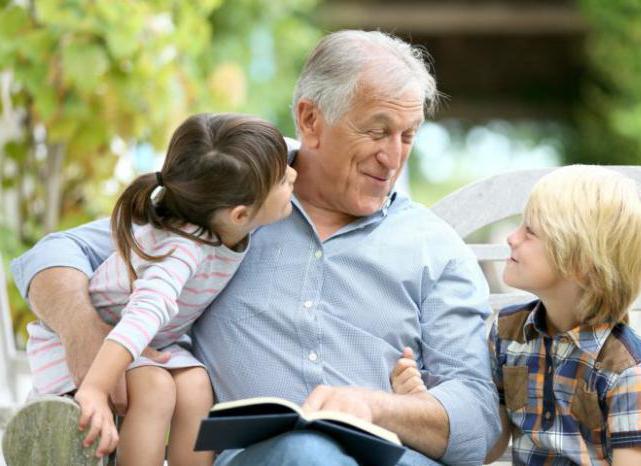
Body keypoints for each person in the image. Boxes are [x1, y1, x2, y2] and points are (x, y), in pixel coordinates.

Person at [11, 30, 500, 466]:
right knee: (307, 453)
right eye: (376, 131)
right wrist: (86, 335)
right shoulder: (229, 203)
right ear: (311, 119)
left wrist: (375, 407)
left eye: (407, 136)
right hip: (264, 457)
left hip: (392, 457)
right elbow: (50, 256)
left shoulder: (433, 246)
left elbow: (477, 421)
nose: (392, 156)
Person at [23, 113, 296, 465]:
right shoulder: (180, 251)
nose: (294, 173)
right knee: (156, 388)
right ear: (240, 215)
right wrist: (94, 386)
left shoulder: (223, 219)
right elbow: (142, 315)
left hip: (152, 345)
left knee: (197, 386)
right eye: (281, 178)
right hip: (91, 350)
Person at [395, 165, 641, 465]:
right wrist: (422, 406)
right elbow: (489, 447)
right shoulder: (510, 334)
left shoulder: (629, 372)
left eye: (530, 231)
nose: (512, 238)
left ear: (580, 263)